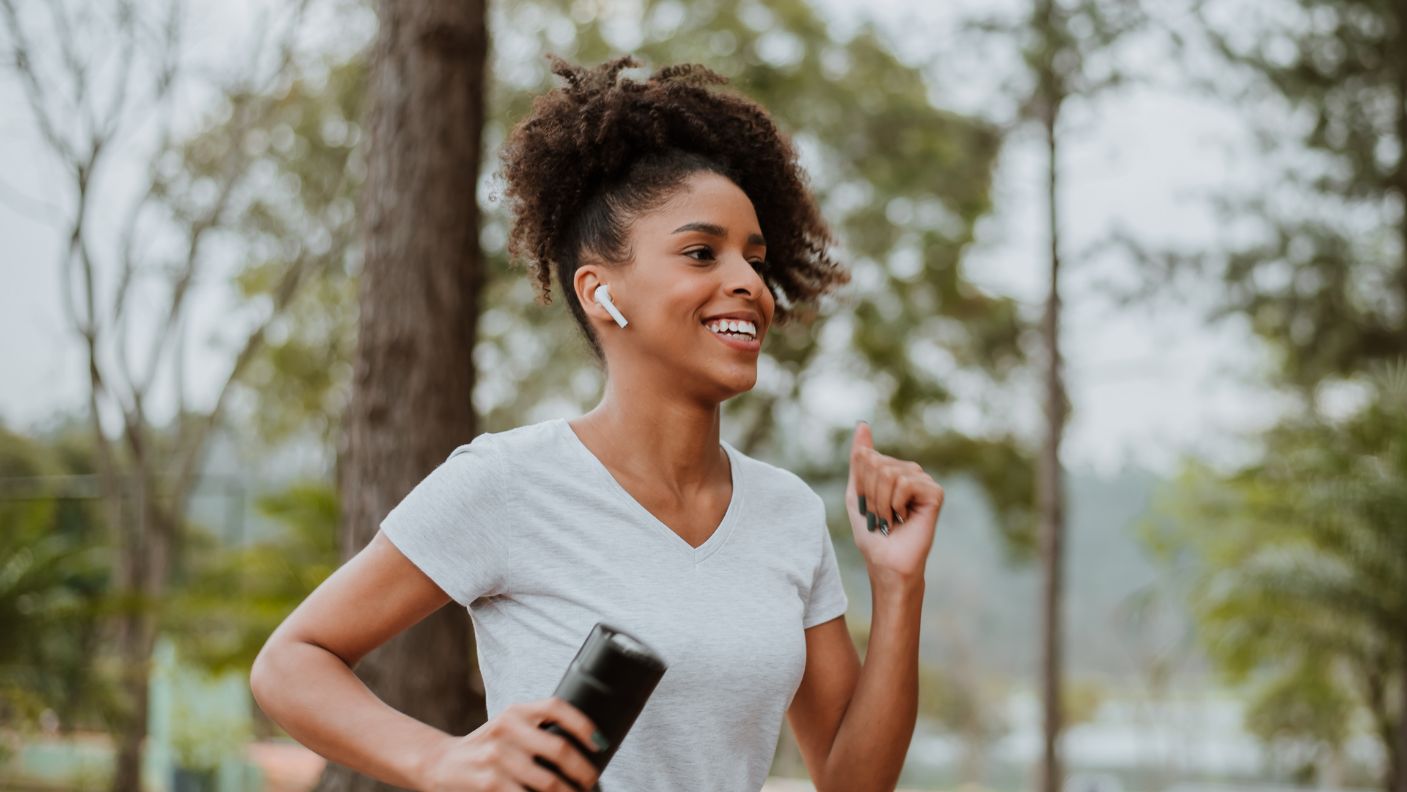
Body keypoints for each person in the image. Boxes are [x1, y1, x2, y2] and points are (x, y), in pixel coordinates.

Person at [250, 54, 944, 792]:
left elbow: (851, 781)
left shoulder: (787, 515)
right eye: (700, 252)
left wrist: (898, 588)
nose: (746, 283)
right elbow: (291, 662)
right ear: (600, 293)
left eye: (754, 257)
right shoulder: (509, 483)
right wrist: (441, 760)